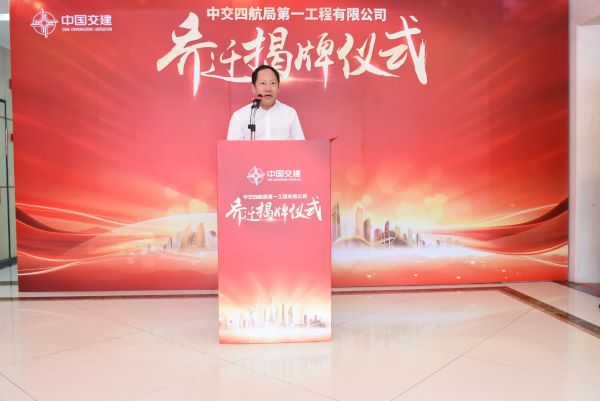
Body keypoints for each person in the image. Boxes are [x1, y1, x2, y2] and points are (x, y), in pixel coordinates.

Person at [227, 65, 304, 140]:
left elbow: (300, 145)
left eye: (272, 83)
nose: (268, 89)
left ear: (278, 87)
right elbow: (232, 148)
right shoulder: (240, 116)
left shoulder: (290, 113)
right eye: (263, 83)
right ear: (254, 88)